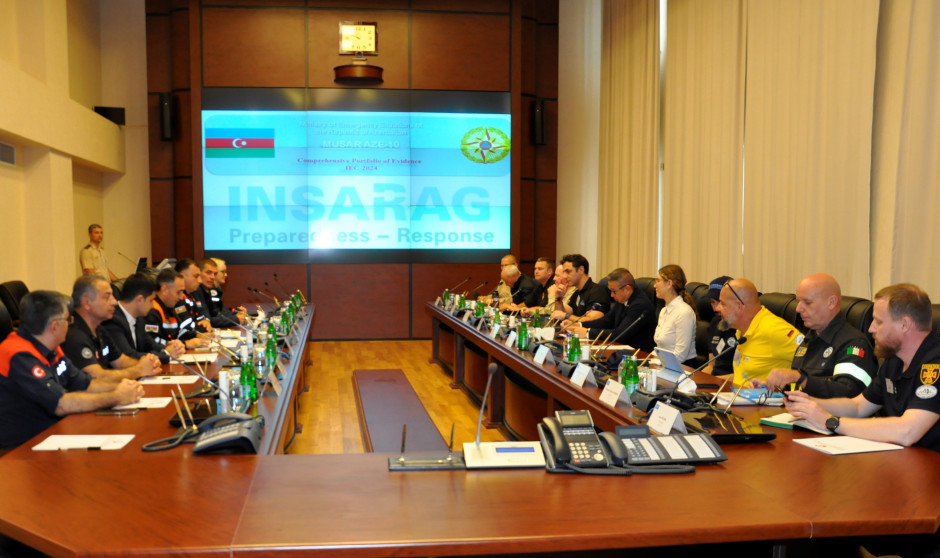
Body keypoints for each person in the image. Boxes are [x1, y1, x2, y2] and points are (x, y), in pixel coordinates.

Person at [785, 284, 940, 452]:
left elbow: (907, 431)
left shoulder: (935, 363)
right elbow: (857, 407)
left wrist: (831, 422)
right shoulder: (894, 361)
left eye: (878, 322)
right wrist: (809, 403)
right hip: (906, 458)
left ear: (904, 324)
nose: (871, 328)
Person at [0, 291, 143, 449]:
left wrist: (125, 387)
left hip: (51, 435)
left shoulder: (51, 346)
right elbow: (60, 404)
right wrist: (115, 397)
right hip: (20, 450)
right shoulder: (17, 354)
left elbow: (85, 383)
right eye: (68, 319)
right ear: (55, 326)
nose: (71, 324)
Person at [755, 273, 877, 398]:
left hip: (829, 411)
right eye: (798, 302)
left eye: (807, 302)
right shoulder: (809, 339)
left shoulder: (853, 344)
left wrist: (802, 379)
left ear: (831, 302)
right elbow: (801, 389)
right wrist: (774, 389)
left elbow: (848, 392)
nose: (798, 309)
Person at [61, 275, 161, 382]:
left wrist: (148, 363)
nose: (114, 302)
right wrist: (139, 370)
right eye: (107, 297)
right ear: (87, 303)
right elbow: (98, 377)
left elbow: (121, 361)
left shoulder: (99, 329)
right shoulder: (73, 335)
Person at [717, 278, 800, 385]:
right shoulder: (741, 330)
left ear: (738, 306)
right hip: (739, 394)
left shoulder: (775, 330)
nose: (718, 308)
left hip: (766, 396)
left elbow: (813, 363)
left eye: (723, 304)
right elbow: (743, 378)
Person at [101, 273, 185, 364]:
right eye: (151, 300)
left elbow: (150, 344)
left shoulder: (139, 319)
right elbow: (128, 356)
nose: (152, 305)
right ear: (139, 299)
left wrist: (172, 347)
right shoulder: (112, 320)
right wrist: (166, 354)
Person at [566, 268, 656, 352]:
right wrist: (580, 325)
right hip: (621, 349)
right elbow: (606, 321)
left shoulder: (640, 305)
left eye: (614, 291)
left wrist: (587, 332)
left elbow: (620, 334)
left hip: (638, 354)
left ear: (627, 289)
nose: (611, 295)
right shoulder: (623, 299)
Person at [143, 269, 208, 350]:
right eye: (178, 292)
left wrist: (197, 335)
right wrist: (185, 344)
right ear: (165, 289)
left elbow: (179, 332)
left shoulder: (169, 306)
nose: (181, 297)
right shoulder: (152, 310)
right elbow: (151, 342)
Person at [652, 264, 698, 365]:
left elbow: (680, 356)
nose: (654, 285)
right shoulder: (663, 311)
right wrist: (648, 361)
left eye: (658, 281)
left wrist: (656, 364)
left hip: (682, 367)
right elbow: (659, 347)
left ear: (669, 284)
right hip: (665, 365)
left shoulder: (684, 312)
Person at [551, 254, 611, 323]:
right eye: (564, 272)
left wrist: (566, 316)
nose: (564, 276)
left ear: (581, 270)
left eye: (568, 272)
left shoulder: (597, 292)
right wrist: (558, 299)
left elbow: (593, 320)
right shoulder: (577, 292)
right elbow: (559, 316)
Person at [193, 258, 245, 327]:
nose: (212, 277)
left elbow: (217, 312)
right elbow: (207, 320)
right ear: (198, 273)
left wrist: (236, 313)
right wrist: (235, 319)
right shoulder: (196, 290)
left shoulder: (208, 290)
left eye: (215, 274)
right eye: (208, 273)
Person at [704, 276, 737, 375]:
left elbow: (742, 376)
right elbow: (711, 364)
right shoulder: (715, 322)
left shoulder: (742, 327)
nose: (716, 308)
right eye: (712, 302)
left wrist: (716, 380)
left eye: (721, 302)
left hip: (731, 381)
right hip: (715, 379)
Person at [175, 259, 212, 332]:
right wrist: (202, 329)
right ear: (182, 276)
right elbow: (186, 326)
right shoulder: (177, 298)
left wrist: (205, 321)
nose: (200, 281)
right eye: (196, 276)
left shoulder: (191, 295)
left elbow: (199, 317)